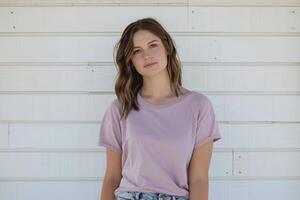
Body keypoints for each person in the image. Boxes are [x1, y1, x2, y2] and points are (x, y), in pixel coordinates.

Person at [98, 17, 222, 200]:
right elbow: (112, 177)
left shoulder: (199, 106)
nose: (147, 55)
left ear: (167, 47)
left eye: (153, 45)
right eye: (137, 51)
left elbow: (198, 179)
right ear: (131, 61)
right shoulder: (120, 109)